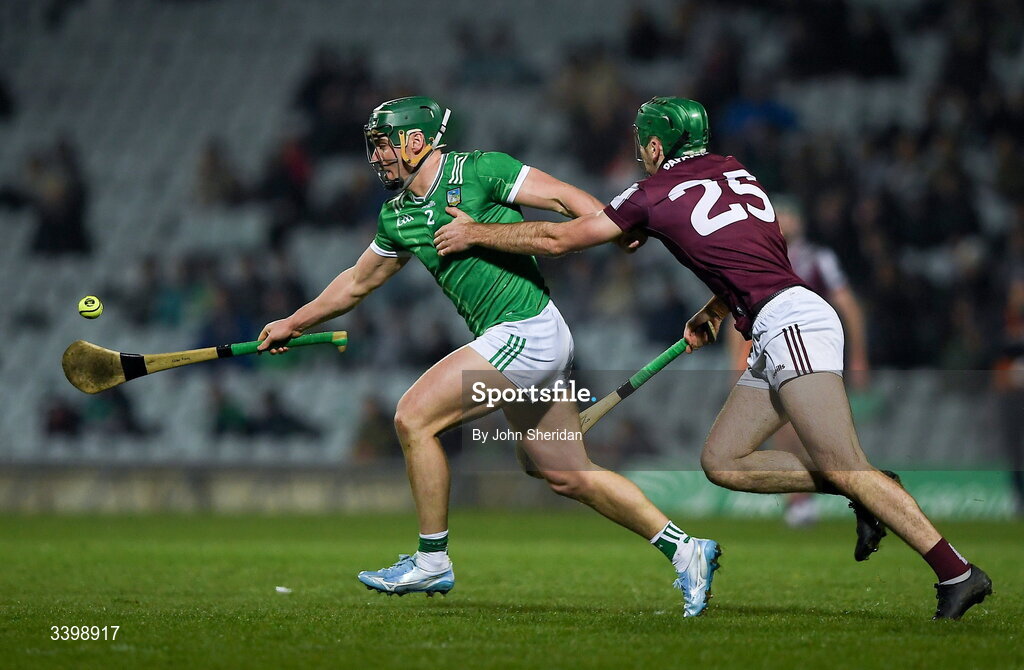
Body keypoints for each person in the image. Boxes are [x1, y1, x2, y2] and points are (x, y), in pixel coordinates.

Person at [434, 97, 992, 620]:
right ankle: (869, 487)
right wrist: (717, 308)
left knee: (846, 460)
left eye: (642, 142)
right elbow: (751, 256)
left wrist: (474, 233)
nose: (640, 151)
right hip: (777, 318)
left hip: (789, 323)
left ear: (656, 146)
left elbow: (560, 241)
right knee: (724, 461)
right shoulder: (736, 170)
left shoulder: (650, 192)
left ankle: (956, 572)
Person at [258, 97, 721, 616]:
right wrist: (293, 323)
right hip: (525, 339)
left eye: (383, 145)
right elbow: (356, 282)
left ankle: (432, 560)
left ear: (416, 141)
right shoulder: (398, 216)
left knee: (413, 417)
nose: (376, 157)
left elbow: (564, 196)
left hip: (527, 329)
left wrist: (612, 228)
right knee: (568, 473)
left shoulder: (480, 170)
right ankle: (686, 550)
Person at [723, 196, 873, 529]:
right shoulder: (760, 257)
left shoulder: (818, 258)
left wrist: (860, 356)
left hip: (813, 346)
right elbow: (738, 314)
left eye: (791, 215)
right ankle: (808, 499)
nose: (785, 221)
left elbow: (849, 306)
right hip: (775, 350)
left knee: (812, 431)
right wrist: (736, 359)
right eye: (781, 215)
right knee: (789, 428)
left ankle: (856, 489)